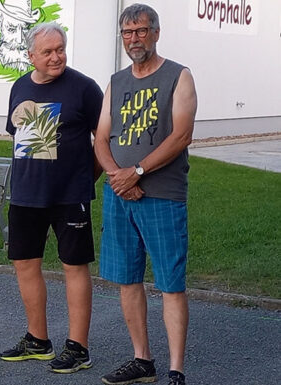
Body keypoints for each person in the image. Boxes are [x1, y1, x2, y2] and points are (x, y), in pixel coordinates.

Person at [94, 4, 197, 385]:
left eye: (140, 31)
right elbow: (101, 138)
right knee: (127, 279)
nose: (134, 39)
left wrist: (136, 172)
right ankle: (142, 360)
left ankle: (176, 370)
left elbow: (181, 135)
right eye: (127, 33)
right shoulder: (116, 82)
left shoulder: (178, 76)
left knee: (170, 282)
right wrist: (117, 177)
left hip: (162, 195)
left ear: (155, 32)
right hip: (120, 196)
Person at [0, 23, 102, 374]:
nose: (56, 56)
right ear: (30, 56)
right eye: (48, 51)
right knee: (25, 265)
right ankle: (38, 340)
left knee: (74, 267)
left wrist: (87, 178)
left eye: (60, 49)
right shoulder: (20, 86)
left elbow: (104, 141)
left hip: (69, 196)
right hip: (26, 195)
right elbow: (21, 139)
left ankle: (78, 347)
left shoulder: (84, 88)